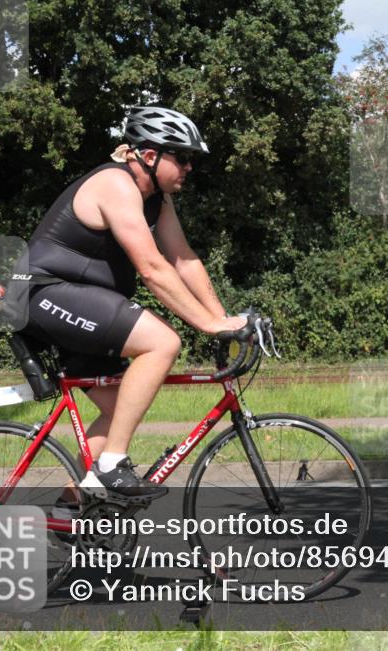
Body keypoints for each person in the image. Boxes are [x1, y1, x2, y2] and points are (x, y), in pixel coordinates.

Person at [17, 105, 246, 507]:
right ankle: (111, 465)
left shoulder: (158, 200)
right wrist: (207, 326)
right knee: (162, 343)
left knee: (119, 406)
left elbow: (183, 259)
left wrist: (222, 318)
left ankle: (74, 507)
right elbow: (153, 269)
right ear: (149, 155)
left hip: (79, 300)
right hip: (44, 293)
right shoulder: (116, 185)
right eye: (183, 156)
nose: (190, 166)